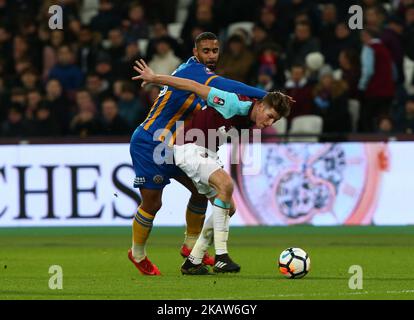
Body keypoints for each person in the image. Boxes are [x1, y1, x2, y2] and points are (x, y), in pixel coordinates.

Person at [132, 59, 293, 274]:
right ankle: (221, 256)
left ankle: (193, 257)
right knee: (225, 185)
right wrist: (155, 79)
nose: (270, 122)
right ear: (261, 105)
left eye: (275, 120)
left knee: (228, 208)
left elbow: (246, 94)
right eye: (270, 116)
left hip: (206, 153)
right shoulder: (231, 102)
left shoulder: (253, 114)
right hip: (188, 149)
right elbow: (193, 86)